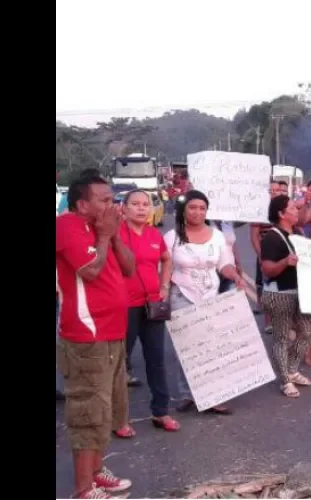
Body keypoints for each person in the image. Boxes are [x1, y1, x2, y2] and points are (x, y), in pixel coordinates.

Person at [57, 174, 136, 498]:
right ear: (81, 204)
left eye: (112, 198)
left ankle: (97, 470)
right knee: (88, 413)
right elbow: (89, 270)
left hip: (114, 333)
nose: (112, 204)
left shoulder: (105, 228)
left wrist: (114, 237)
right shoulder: (66, 226)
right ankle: (84, 488)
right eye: (104, 200)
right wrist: (105, 237)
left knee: (109, 410)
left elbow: (129, 268)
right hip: (88, 337)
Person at [166, 190, 246, 414]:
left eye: (202, 208)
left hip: (211, 296)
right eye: (193, 207)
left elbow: (225, 264)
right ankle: (186, 394)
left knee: (211, 347)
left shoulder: (218, 236)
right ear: (184, 210)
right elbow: (165, 268)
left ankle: (212, 396)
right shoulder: (172, 237)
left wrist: (235, 276)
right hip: (181, 295)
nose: (197, 212)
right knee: (186, 347)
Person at [118, 190, 181, 436]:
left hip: (152, 304)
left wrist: (164, 285)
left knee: (156, 358)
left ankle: (161, 411)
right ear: (124, 208)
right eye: (135, 204)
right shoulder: (117, 234)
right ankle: (119, 418)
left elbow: (166, 260)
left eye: (145, 204)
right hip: (125, 305)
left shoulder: (154, 234)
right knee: (119, 362)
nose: (142, 209)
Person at [260, 195, 311, 397]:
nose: (297, 211)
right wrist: (285, 262)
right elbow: (267, 269)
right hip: (280, 293)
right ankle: (285, 380)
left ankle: (292, 369)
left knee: (310, 331)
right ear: (281, 213)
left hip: (301, 293)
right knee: (282, 337)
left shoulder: (297, 233)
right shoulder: (271, 237)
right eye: (293, 208)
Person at [251, 180, 289, 320]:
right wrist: (261, 256)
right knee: (265, 284)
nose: (274, 192)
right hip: (266, 252)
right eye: (270, 190)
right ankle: (268, 318)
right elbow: (254, 236)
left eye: (277, 190)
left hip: (283, 253)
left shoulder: (286, 211)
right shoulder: (260, 211)